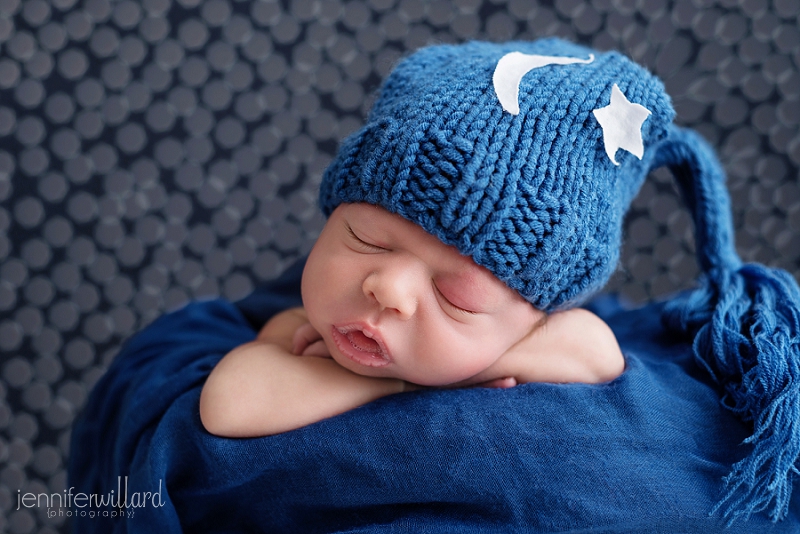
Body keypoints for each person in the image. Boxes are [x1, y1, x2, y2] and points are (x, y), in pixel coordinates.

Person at [197, 38, 800, 522]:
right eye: (365, 241)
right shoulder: (296, 329)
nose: (387, 289)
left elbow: (593, 351)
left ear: (532, 317)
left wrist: (453, 368)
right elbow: (229, 406)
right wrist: (407, 384)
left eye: (455, 295)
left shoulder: (548, 335)